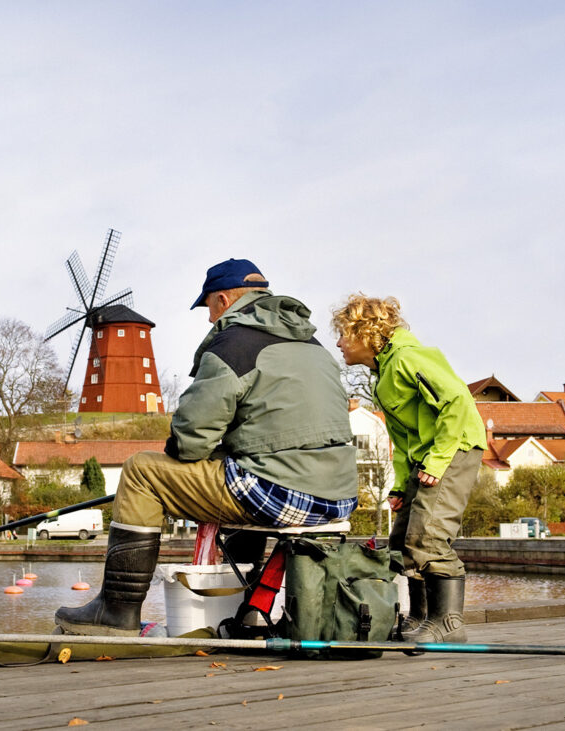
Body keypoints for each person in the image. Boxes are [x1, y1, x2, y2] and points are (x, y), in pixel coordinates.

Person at [55, 258, 359, 636]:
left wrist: (183, 452)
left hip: (281, 491)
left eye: (208, 309)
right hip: (339, 495)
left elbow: (190, 439)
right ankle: (247, 609)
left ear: (222, 300)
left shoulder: (234, 344)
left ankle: (116, 611)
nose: (208, 319)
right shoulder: (314, 346)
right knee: (238, 472)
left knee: (141, 471)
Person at [331, 294, 486, 643]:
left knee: (428, 536)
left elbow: (457, 400)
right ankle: (419, 618)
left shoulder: (408, 357)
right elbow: (400, 437)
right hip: (424, 457)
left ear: (366, 333)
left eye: (344, 334)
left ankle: (449, 624)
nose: (339, 343)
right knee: (402, 542)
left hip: (453, 450)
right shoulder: (382, 374)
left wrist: (437, 459)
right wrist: (400, 485)